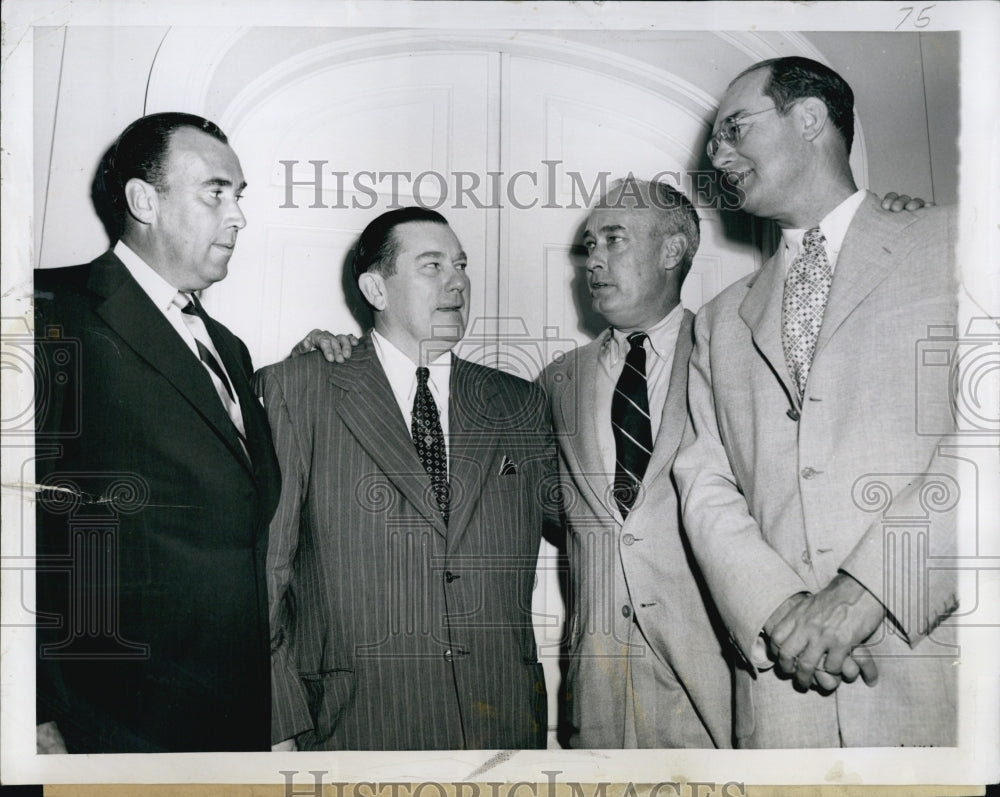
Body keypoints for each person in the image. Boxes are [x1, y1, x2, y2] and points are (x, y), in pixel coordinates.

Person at [673, 56, 959, 747]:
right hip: (785, 696)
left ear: (809, 119)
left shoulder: (961, 241)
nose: (716, 155)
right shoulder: (717, 319)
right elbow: (704, 482)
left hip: (944, 674)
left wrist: (870, 591)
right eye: (712, 140)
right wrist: (780, 611)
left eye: (733, 128)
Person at [34, 112, 333, 753]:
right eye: (216, 192)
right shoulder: (48, 311)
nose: (238, 217)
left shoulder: (230, 348)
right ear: (144, 200)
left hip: (230, 721)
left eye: (239, 196)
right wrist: (32, 713)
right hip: (106, 723)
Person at [259, 206, 558, 751]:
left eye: (461, 265)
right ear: (376, 288)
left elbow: (587, 523)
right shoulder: (298, 390)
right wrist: (282, 726)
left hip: (502, 728)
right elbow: (265, 574)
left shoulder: (519, 402)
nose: (458, 282)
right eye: (432, 265)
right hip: (353, 730)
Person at [540, 177, 731, 748]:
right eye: (589, 246)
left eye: (613, 240)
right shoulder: (558, 381)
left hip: (715, 684)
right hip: (598, 691)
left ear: (672, 251)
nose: (593, 262)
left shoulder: (731, 352)